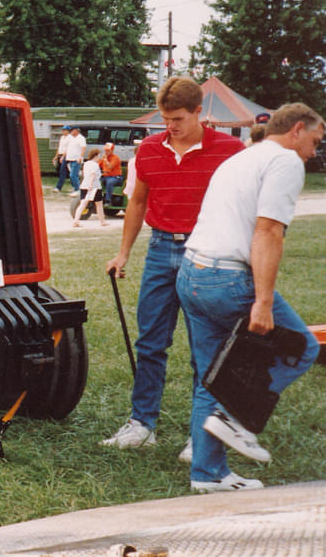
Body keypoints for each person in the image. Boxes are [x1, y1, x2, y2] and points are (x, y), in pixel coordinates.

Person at [177, 103, 323, 493]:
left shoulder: (242, 158)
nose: (314, 152)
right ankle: (233, 418)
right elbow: (269, 231)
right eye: (314, 141)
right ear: (296, 130)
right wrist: (262, 300)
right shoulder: (286, 162)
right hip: (228, 280)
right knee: (302, 348)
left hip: (192, 272)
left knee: (212, 376)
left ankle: (208, 476)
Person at [101, 76, 244, 454]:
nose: (170, 127)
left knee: (205, 346)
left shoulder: (231, 150)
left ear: (200, 112)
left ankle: (203, 434)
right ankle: (142, 424)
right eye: (165, 120)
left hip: (208, 254)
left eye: (178, 119)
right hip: (161, 250)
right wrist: (124, 253)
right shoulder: (148, 149)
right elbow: (137, 203)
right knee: (150, 341)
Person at [72, 149, 108, 227]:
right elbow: (93, 174)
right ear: (96, 155)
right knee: (99, 205)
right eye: (99, 155)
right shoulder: (94, 165)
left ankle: (76, 220)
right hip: (94, 187)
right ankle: (102, 221)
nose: (100, 157)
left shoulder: (86, 163)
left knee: (82, 204)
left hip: (84, 185)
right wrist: (91, 185)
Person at [63, 126, 86, 195]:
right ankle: (75, 188)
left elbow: (83, 148)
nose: (71, 132)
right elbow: (67, 148)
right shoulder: (70, 138)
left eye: (72, 131)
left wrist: (80, 157)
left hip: (76, 159)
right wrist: (63, 157)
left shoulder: (81, 138)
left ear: (76, 131)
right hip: (69, 159)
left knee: (73, 175)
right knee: (72, 175)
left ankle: (77, 190)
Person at [53, 125, 71, 192]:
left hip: (66, 156)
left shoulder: (70, 138)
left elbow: (68, 148)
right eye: (62, 130)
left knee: (62, 171)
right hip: (60, 155)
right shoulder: (62, 137)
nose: (63, 131)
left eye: (64, 130)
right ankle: (77, 186)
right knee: (67, 172)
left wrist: (63, 157)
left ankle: (58, 187)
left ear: (68, 131)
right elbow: (59, 147)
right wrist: (56, 156)